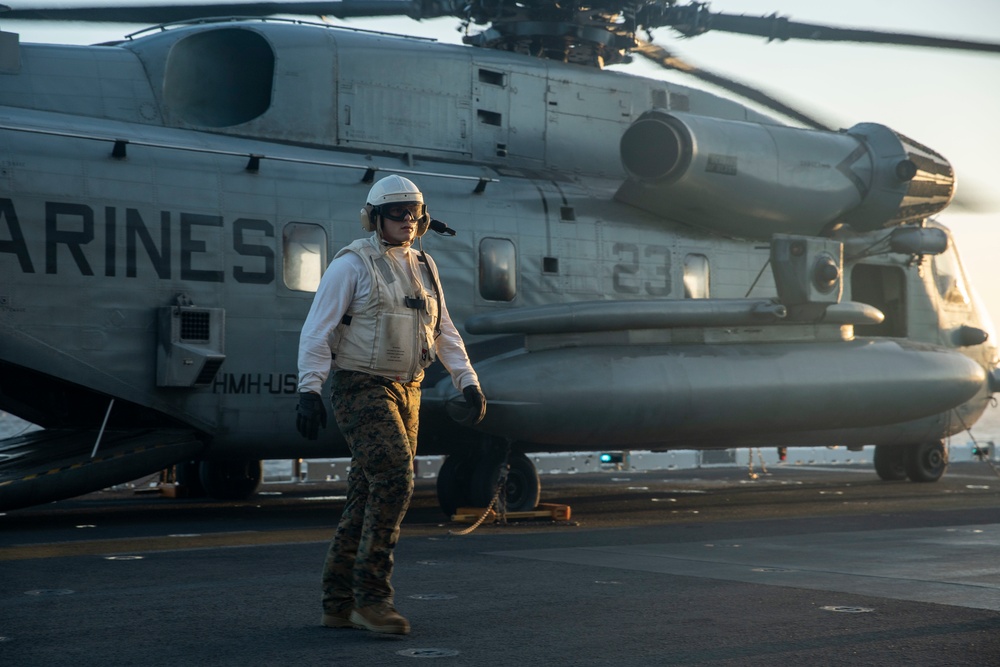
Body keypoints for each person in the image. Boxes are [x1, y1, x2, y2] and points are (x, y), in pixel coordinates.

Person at [295, 174, 486, 635]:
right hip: (360, 385)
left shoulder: (425, 266)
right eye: (397, 212)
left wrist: (468, 382)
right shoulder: (351, 265)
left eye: (414, 212)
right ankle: (373, 599)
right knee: (396, 479)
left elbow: (444, 332)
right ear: (374, 217)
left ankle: (338, 602)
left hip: (409, 389)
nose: (407, 220)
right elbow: (317, 330)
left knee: (367, 494)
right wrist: (309, 389)